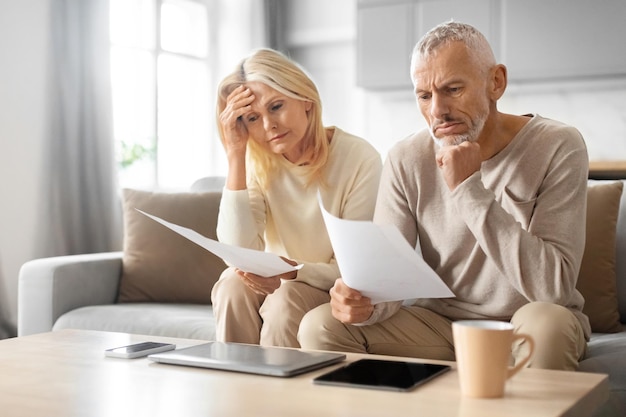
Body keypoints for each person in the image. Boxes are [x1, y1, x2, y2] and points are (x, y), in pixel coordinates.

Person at [298, 21, 590, 371]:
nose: (437, 110)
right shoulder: (405, 158)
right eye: (424, 95)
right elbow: (385, 281)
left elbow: (553, 289)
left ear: (495, 82)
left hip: (525, 322)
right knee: (319, 327)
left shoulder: (558, 145)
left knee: (549, 324)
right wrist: (363, 303)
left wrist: (469, 188)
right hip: (439, 325)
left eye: (453, 89)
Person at [211, 48, 382, 348]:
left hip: (322, 285)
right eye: (252, 118)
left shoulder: (360, 159)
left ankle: (280, 395)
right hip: (273, 279)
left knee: (285, 297)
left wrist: (292, 272)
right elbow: (236, 251)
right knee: (231, 284)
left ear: (305, 99)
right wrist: (235, 155)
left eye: (276, 106)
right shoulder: (256, 163)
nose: (268, 127)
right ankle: (236, 390)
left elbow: (353, 270)